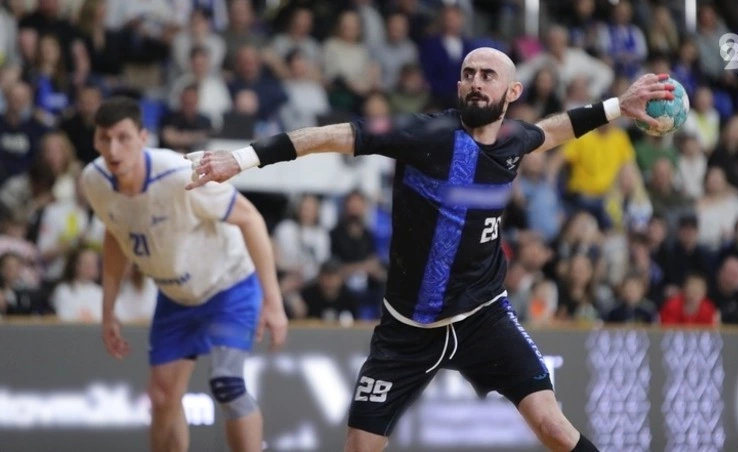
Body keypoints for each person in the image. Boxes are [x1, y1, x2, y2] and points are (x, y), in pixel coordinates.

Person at [186, 47, 673, 452]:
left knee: (553, 427)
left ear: (512, 92)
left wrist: (618, 106)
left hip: (484, 316)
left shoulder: (513, 140)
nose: (475, 82)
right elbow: (328, 137)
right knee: (359, 447)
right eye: (468, 74)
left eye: (487, 76)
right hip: (407, 329)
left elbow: (554, 130)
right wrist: (241, 158)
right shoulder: (426, 135)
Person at [80, 97, 287, 452]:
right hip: (175, 296)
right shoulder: (94, 180)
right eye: (105, 138)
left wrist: (274, 301)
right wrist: (108, 308)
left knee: (226, 383)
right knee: (162, 398)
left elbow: (251, 219)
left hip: (228, 286)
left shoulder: (179, 175)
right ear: (95, 140)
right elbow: (115, 233)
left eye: (123, 138)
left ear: (143, 138)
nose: (113, 149)